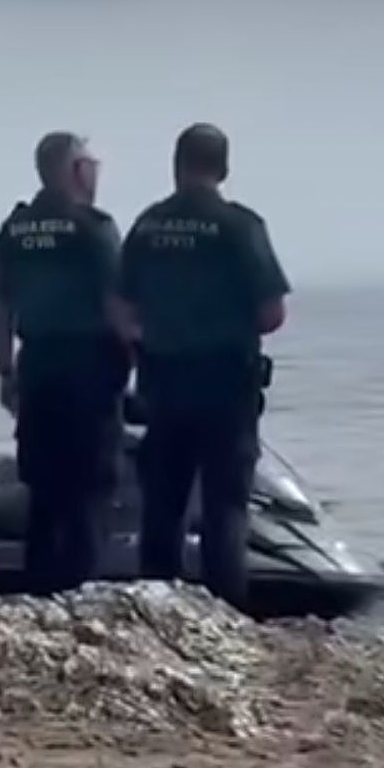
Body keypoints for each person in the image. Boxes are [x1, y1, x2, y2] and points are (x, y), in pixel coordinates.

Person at [116, 122, 290, 611]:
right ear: (224, 167)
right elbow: (271, 314)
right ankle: (227, 617)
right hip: (226, 387)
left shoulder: (148, 225)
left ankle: (154, 613)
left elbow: (122, 309)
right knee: (225, 510)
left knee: (162, 509)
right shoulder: (240, 226)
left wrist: (154, 339)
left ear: (176, 166)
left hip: (164, 386)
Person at [0, 131, 132, 596]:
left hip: (37, 372)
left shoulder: (13, 230)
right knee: (89, 492)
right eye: (92, 164)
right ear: (74, 170)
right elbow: (119, 305)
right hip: (87, 371)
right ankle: (80, 597)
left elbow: (1, 309)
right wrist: (142, 362)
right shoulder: (94, 228)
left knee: (45, 495)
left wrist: (6, 372)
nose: (97, 174)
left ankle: (38, 595)